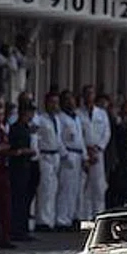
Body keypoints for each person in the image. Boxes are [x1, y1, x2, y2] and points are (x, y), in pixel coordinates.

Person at [31, 89, 64, 232]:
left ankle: (51, 219)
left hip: (55, 155)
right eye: (52, 102)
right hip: (45, 156)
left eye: (56, 103)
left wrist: (65, 154)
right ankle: (42, 221)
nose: (54, 105)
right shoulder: (40, 119)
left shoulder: (57, 119)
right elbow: (34, 132)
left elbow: (59, 139)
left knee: (53, 189)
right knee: (45, 188)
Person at [7, 97, 39, 243]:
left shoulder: (27, 127)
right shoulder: (16, 128)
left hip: (28, 166)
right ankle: (16, 229)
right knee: (18, 199)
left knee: (26, 199)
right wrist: (27, 151)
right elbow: (15, 149)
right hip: (18, 167)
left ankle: (23, 228)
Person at [55, 93, 85, 230]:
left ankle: (72, 216)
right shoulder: (61, 118)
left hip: (78, 153)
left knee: (75, 189)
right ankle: (62, 219)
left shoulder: (76, 118)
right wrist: (64, 154)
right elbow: (58, 137)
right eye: (68, 100)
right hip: (69, 152)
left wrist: (85, 157)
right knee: (65, 188)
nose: (71, 102)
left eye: (72, 99)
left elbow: (81, 138)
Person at [81, 90, 112, 221]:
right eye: (87, 94)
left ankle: (98, 215)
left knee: (98, 186)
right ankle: (84, 216)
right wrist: (85, 150)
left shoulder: (102, 114)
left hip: (98, 152)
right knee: (83, 186)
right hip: (84, 151)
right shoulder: (78, 114)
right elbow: (78, 134)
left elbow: (107, 132)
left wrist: (98, 147)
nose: (89, 97)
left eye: (91, 94)